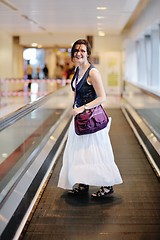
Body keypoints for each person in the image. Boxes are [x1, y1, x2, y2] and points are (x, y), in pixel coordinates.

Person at [58, 39, 123, 198]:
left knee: (96, 152)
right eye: (76, 50)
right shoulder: (77, 70)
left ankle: (107, 185)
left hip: (91, 121)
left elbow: (102, 97)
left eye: (82, 50)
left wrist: (82, 108)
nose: (79, 53)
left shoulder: (93, 72)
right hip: (80, 120)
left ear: (88, 53)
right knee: (80, 152)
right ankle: (83, 183)